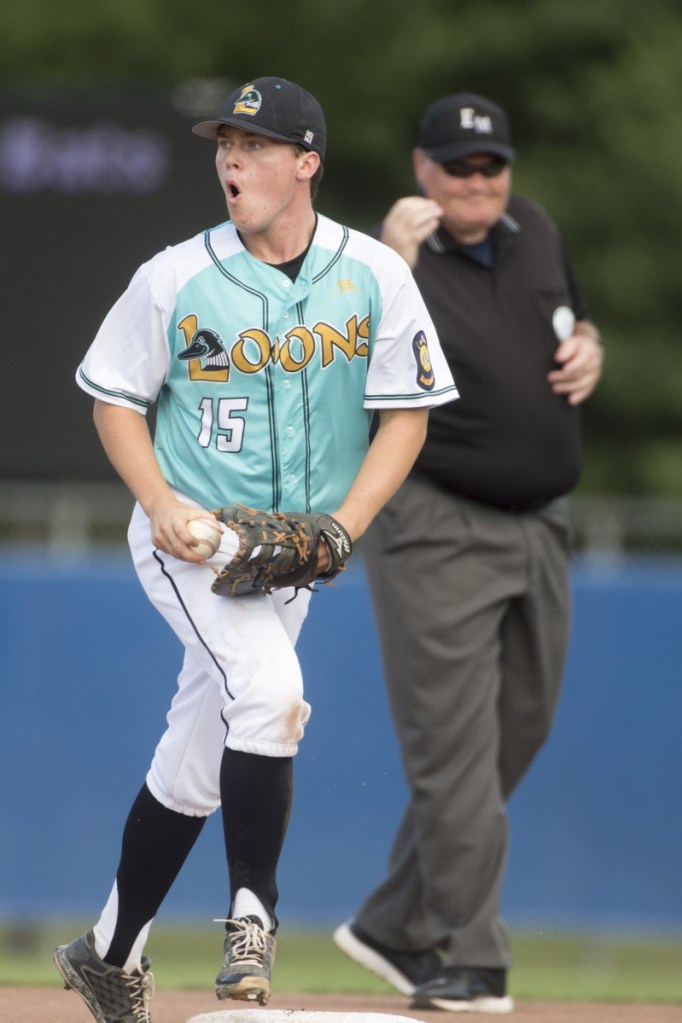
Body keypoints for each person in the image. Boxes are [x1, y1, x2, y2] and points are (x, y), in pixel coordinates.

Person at [53, 76, 458, 1023]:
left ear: (305, 161)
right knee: (272, 697)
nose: (232, 159)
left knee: (202, 753)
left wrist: (344, 528)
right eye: (224, 144)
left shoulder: (372, 273)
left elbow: (406, 415)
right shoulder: (175, 274)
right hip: (195, 536)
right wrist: (156, 502)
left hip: (298, 554)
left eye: (255, 144)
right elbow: (114, 394)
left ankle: (107, 951)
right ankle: (252, 918)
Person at [333, 91, 604, 1013]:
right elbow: (340, 380)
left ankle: (392, 922)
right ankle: (472, 955)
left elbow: (573, 322)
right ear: (423, 171)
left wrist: (592, 346)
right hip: (435, 519)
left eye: (491, 166)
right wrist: (392, 263)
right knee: (452, 750)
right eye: (457, 166)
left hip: (541, 522)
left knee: (512, 734)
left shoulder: (535, 231)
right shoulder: (380, 261)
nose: (477, 182)